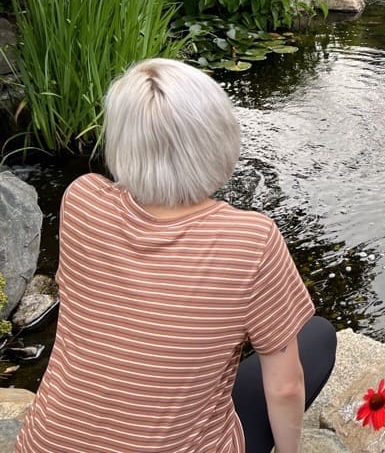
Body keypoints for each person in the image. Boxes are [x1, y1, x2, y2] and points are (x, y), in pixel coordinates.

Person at [15, 58, 337, 453]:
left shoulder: (81, 200)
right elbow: (286, 387)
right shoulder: (251, 239)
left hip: (47, 444)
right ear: (218, 137)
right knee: (317, 337)